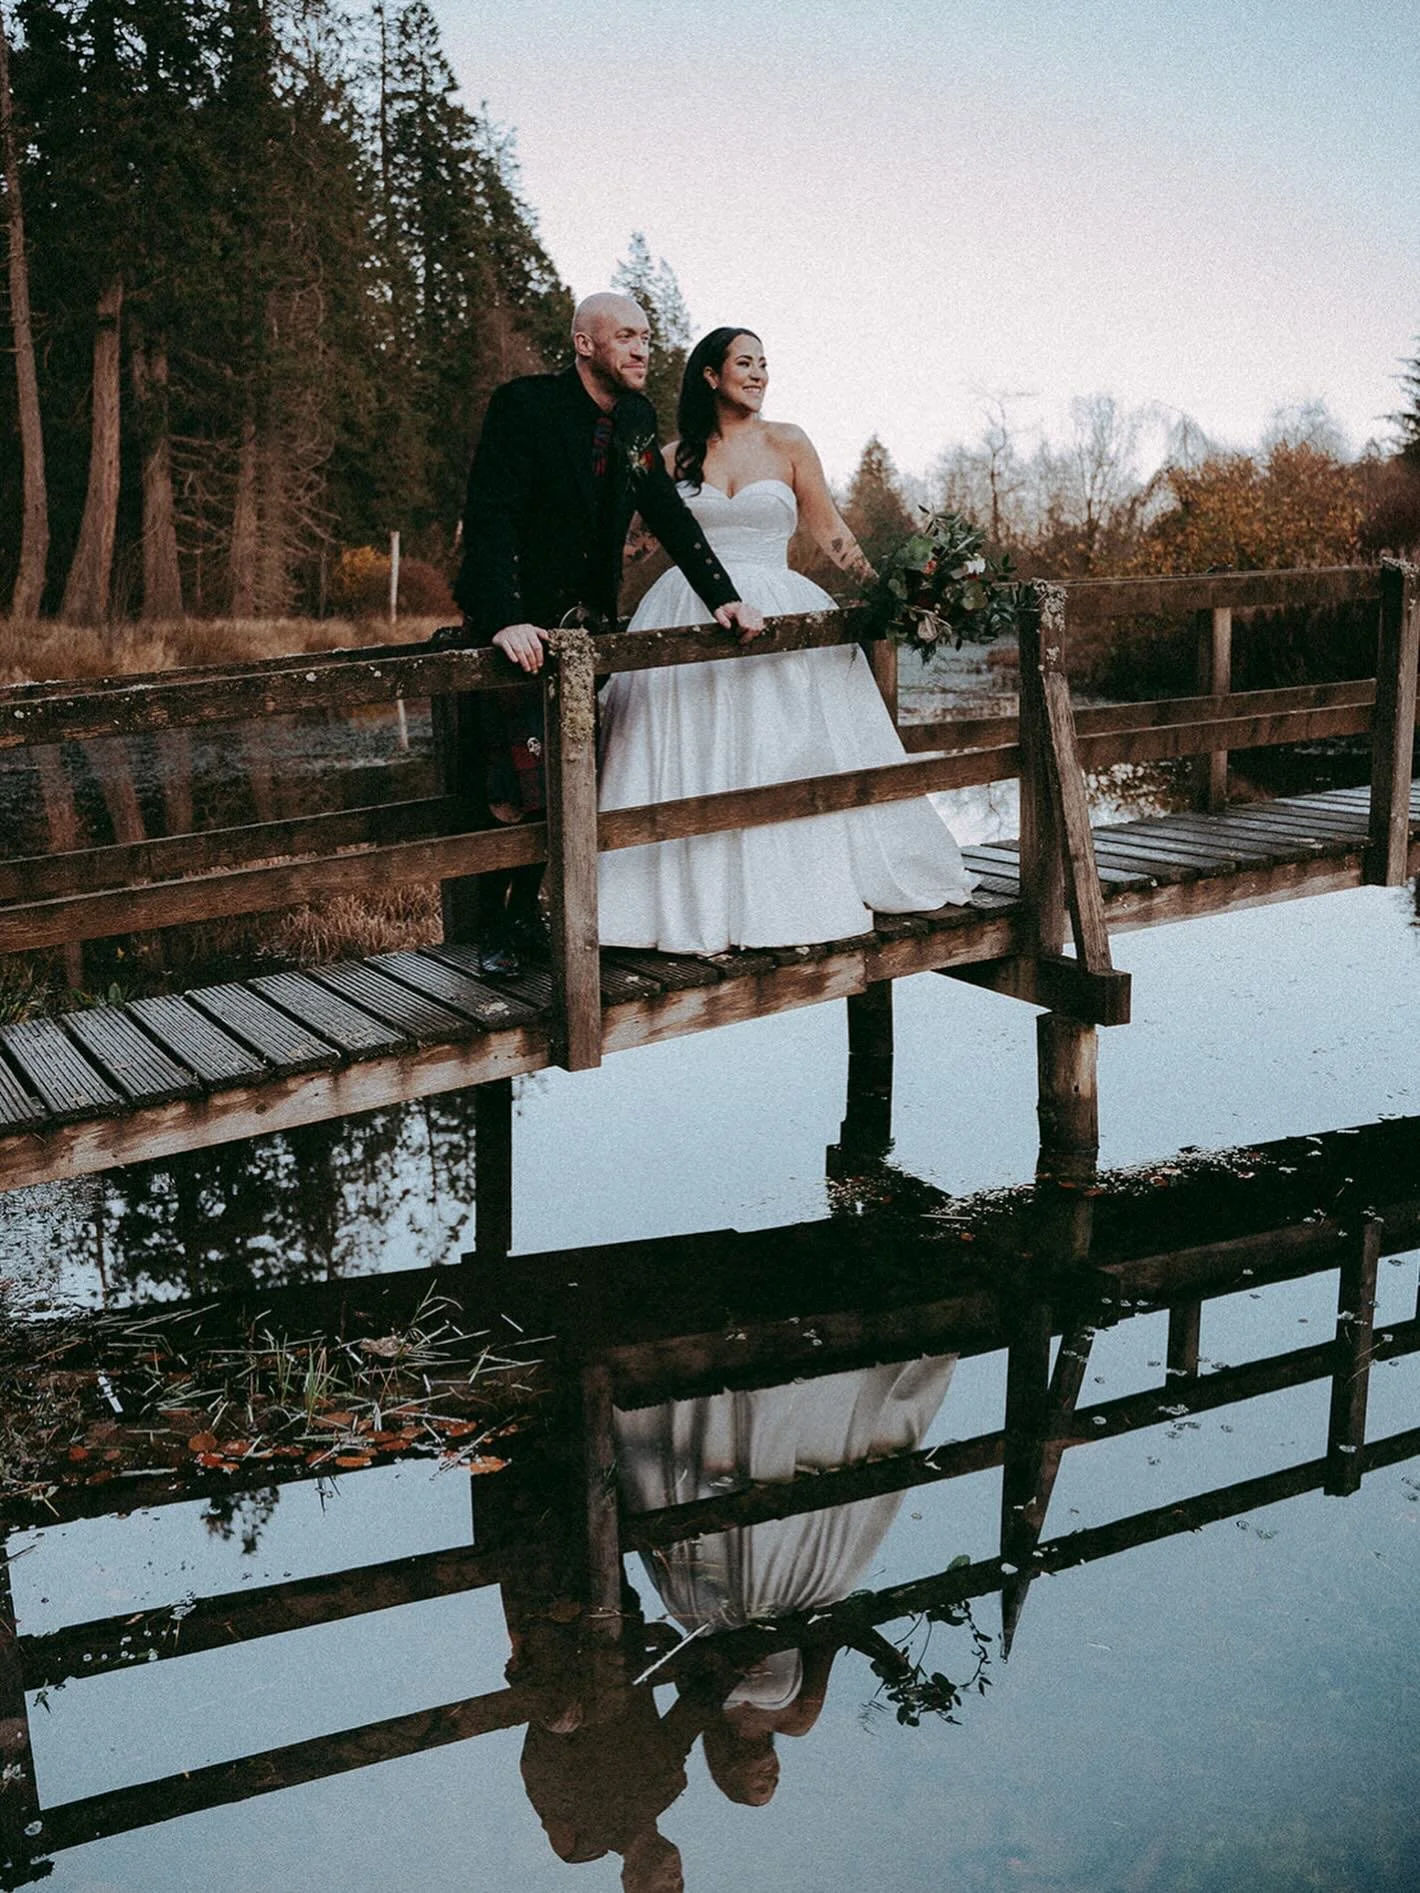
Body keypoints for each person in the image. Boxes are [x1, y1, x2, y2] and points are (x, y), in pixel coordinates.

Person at [598, 327, 977, 954]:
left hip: (778, 609)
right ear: (711, 376)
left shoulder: (789, 443)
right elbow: (634, 544)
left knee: (783, 749)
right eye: (745, 363)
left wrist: (896, 593)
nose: (759, 375)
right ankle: (677, 899)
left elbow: (831, 532)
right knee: (688, 750)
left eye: (765, 364)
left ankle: (784, 887)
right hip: (686, 610)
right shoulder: (671, 458)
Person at [449, 293, 763, 975]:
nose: (642, 350)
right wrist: (504, 617)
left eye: (647, 338)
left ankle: (526, 918)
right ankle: (498, 934)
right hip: (515, 621)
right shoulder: (525, 406)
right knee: (512, 791)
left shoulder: (635, 423)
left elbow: (669, 517)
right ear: (585, 344)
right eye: (625, 337)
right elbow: (491, 515)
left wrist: (725, 598)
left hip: (582, 627)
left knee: (569, 780)